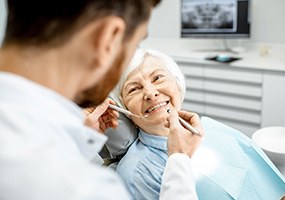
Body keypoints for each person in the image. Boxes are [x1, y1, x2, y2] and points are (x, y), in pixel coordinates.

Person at [0, 1, 203, 200]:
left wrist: (78, 140)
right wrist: (179, 160)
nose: (150, 92)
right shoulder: (87, 188)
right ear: (109, 38)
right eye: (137, 44)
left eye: (158, 77)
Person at [109, 49, 285, 200]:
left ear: (178, 84)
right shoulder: (137, 173)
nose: (150, 93)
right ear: (125, 108)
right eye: (134, 89)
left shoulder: (213, 129)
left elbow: (276, 190)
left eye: (157, 78)